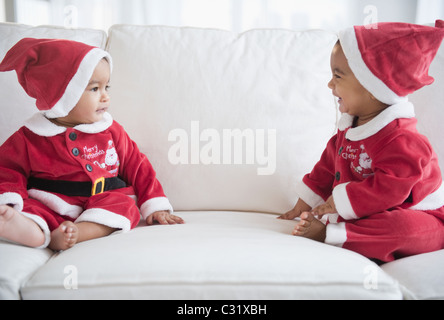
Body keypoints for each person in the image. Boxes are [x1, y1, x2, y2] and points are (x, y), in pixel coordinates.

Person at [280, 21, 444, 263]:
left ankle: (332, 233)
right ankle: (351, 231)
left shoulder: (403, 139)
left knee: (401, 227)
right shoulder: (349, 128)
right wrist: (305, 203)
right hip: (371, 210)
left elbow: (390, 188)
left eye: (337, 76)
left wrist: (339, 201)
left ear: (372, 87)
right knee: (377, 221)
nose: (330, 84)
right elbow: (326, 168)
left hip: (419, 213)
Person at [0, 38, 184, 251]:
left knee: (124, 206)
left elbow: (138, 166)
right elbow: (6, 170)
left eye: (107, 87)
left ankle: (76, 234)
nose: (105, 96)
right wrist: (11, 199)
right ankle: (31, 230)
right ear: (61, 95)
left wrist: (155, 205)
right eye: (94, 89)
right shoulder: (30, 137)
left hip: (102, 199)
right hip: (51, 202)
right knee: (30, 207)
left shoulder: (110, 130)